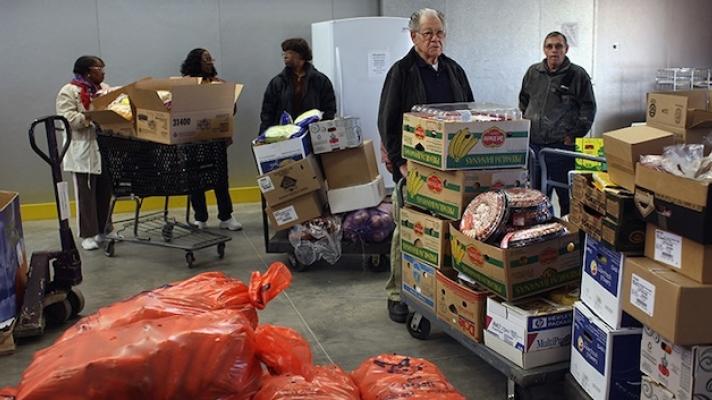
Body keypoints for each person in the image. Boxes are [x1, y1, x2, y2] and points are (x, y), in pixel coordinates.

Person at [378, 8, 474, 323]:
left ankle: (436, 289)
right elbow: (388, 123)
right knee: (406, 229)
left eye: (440, 33)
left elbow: (470, 114)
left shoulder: (454, 70)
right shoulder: (401, 72)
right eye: (428, 33)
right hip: (415, 167)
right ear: (414, 36)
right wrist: (401, 166)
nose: (435, 39)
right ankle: (397, 293)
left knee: (444, 231)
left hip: (451, 170)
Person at [519, 31, 596, 215]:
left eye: (558, 46)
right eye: (549, 46)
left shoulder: (577, 75)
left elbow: (588, 108)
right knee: (536, 196)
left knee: (566, 195)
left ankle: (567, 235)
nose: (554, 50)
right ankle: (544, 231)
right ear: (544, 49)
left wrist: (574, 135)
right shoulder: (533, 72)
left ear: (566, 49)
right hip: (535, 146)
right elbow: (523, 100)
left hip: (562, 148)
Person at [180, 48, 242, 231]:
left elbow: (233, 109)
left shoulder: (218, 83)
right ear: (195, 62)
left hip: (216, 140)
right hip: (192, 140)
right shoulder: (185, 85)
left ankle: (226, 216)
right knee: (194, 180)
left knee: (221, 178)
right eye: (205, 59)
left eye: (210, 59)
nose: (210, 62)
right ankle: (200, 217)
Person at [56, 55, 113, 250]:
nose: (103, 71)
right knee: (86, 193)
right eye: (99, 68)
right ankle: (87, 234)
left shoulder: (105, 89)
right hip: (82, 149)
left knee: (106, 190)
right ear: (88, 71)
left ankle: (104, 229)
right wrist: (90, 117)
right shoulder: (68, 91)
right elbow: (67, 117)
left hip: (103, 148)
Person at [259, 38, 336, 133]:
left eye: (289, 52)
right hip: (284, 137)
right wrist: (263, 137)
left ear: (301, 55)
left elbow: (329, 109)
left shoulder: (320, 80)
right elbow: (267, 113)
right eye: (284, 53)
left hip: (313, 135)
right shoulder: (277, 83)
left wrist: (321, 131)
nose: (285, 56)